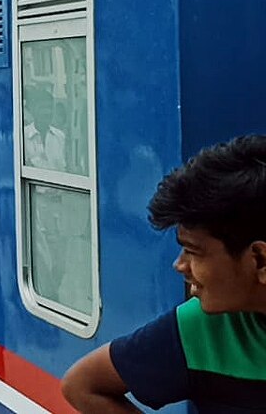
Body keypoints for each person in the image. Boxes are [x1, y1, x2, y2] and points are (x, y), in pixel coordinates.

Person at [61, 136, 266, 412]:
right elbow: (82, 385)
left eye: (193, 251)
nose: (179, 265)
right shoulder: (202, 329)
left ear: (260, 259)